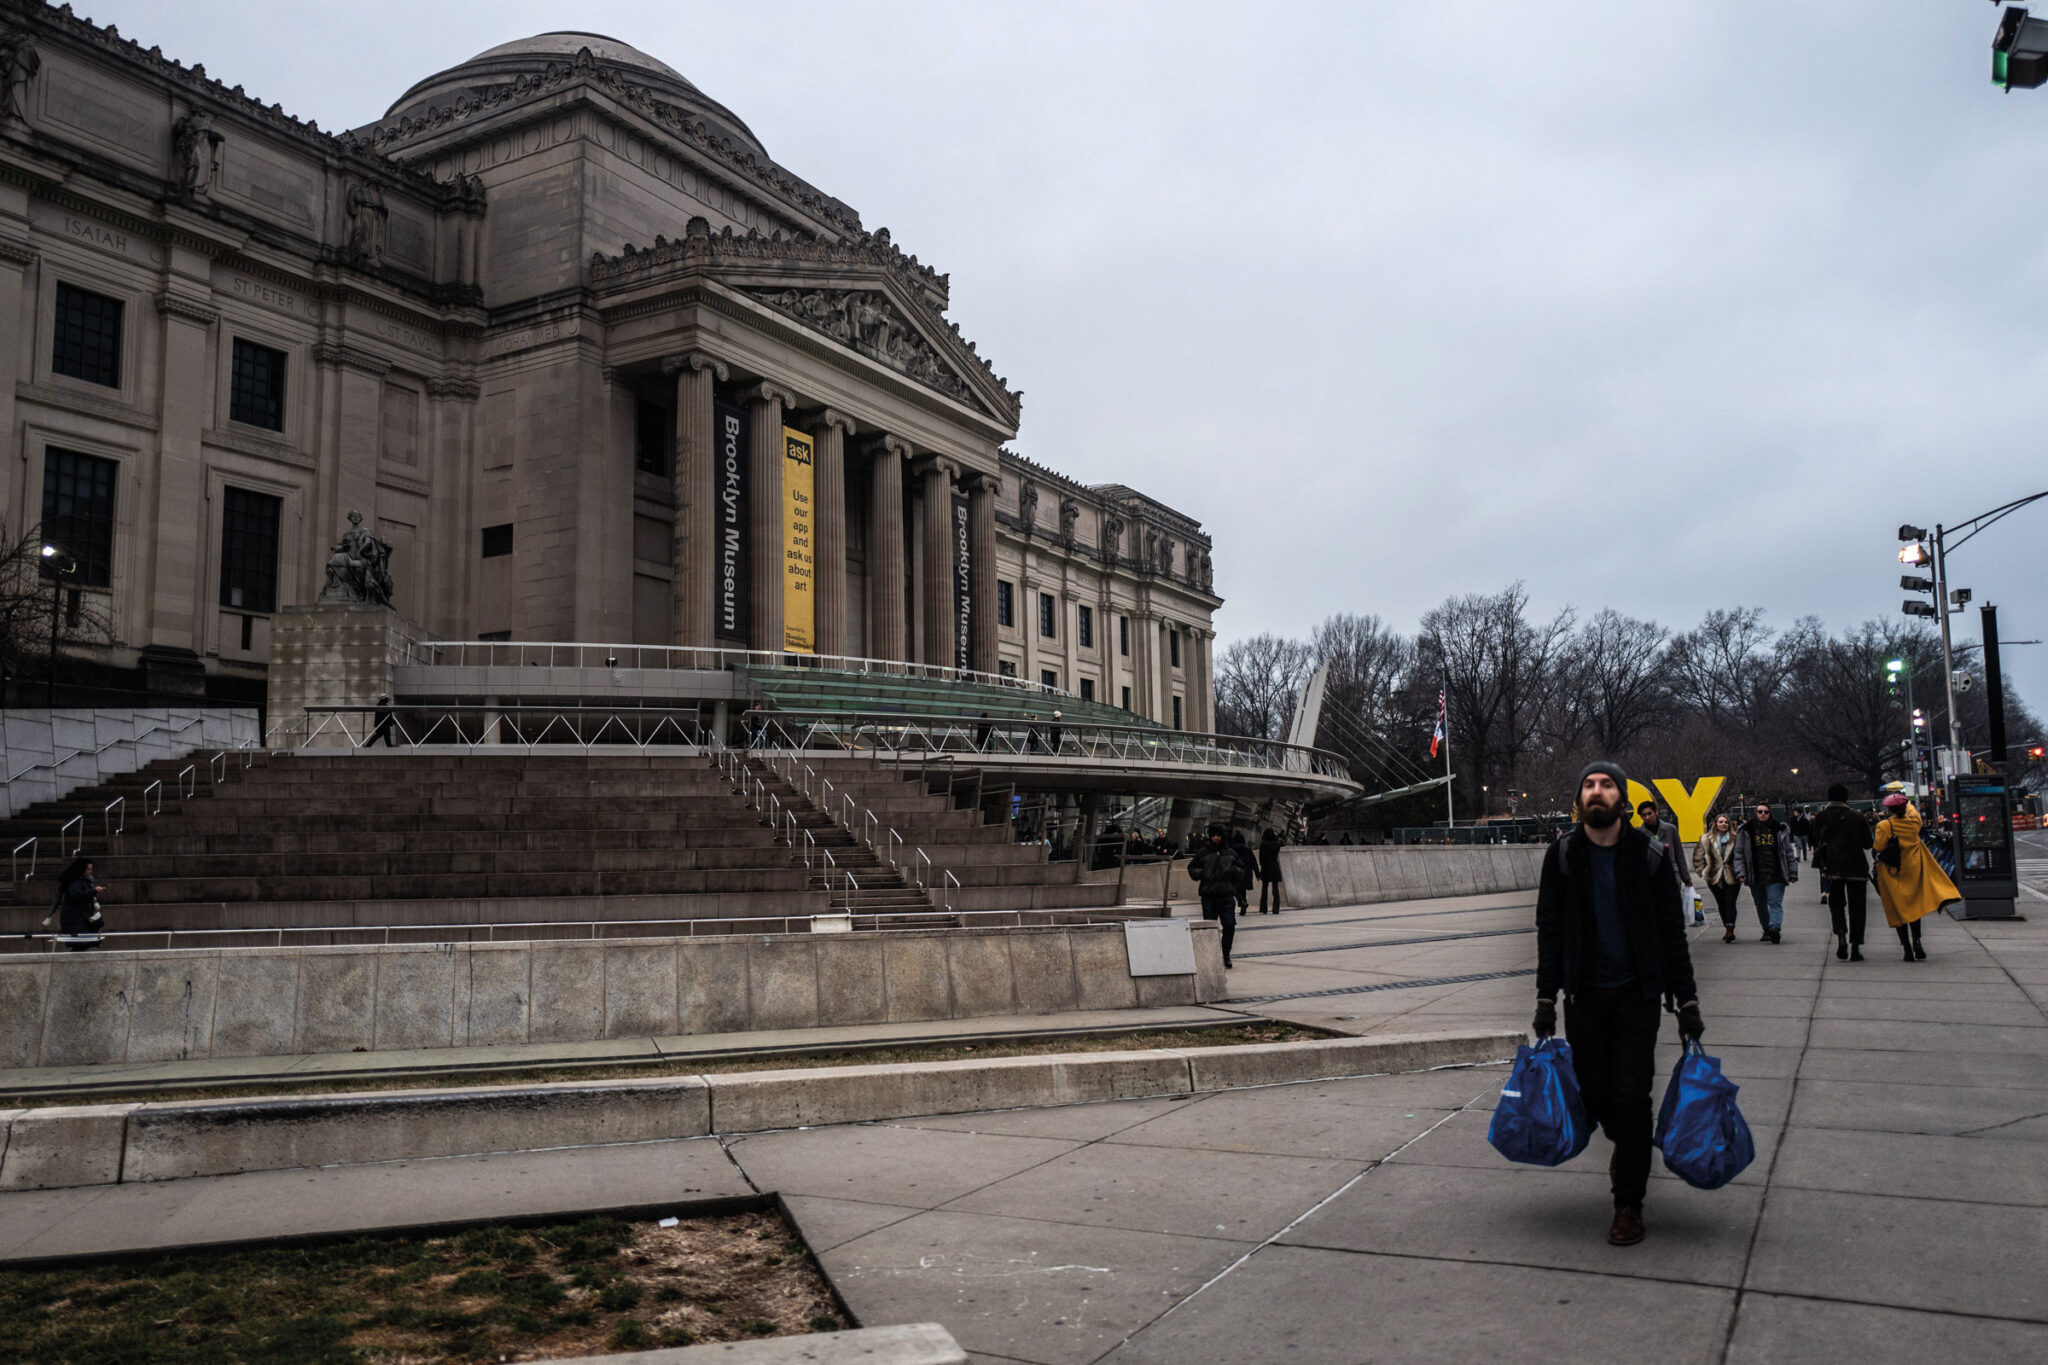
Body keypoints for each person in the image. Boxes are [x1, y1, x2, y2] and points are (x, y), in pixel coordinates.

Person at [1534, 761, 1703, 1247]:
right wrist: (1547, 998)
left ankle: (1628, 1203)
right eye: (1588, 784)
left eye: (1606, 785)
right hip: (1584, 998)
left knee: (1633, 1097)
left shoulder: (1649, 855)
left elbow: (1672, 934)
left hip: (1637, 998)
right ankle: (1626, 1144)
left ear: (1622, 799)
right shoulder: (1563, 855)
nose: (1597, 791)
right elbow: (1550, 930)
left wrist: (1686, 999)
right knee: (1596, 1095)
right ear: (1580, 799)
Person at [1872, 793, 1960, 961]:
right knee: (1914, 907)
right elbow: (1913, 812)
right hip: (1912, 868)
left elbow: (1878, 846)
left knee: (1898, 909)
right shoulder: (1913, 822)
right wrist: (1905, 800)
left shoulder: (1885, 825)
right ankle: (1917, 941)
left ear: (1889, 809)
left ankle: (1906, 946)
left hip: (1893, 871)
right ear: (1905, 807)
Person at [1809, 784, 1873, 962]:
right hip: (1856, 868)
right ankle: (1855, 946)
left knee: (1836, 905)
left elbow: (1815, 838)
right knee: (1857, 908)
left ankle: (1841, 935)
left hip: (1833, 867)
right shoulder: (1857, 817)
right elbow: (1868, 843)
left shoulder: (1821, 816)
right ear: (1846, 798)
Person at [1733, 802, 1797, 943]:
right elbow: (1739, 854)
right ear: (1755, 813)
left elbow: (1788, 853)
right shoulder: (1746, 830)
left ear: (1770, 813)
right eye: (1760, 811)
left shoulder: (1779, 829)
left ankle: (1775, 928)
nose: (1763, 814)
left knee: (1775, 903)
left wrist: (1793, 872)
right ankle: (1767, 929)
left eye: (1765, 812)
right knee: (1760, 904)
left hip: (1776, 874)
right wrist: (1740, 873)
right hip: (1755, 875)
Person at [1188, 824, 1250, 968]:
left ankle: (1225, 954)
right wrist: (1202, 874)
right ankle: (1212, 955)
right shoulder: (1203, 852)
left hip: (1226, 895)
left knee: (1229, 925)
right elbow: (1192, 868)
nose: (1216, 838)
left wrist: (1232, 872)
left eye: (1218, 835)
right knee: (1210, 927)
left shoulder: (1230, 853)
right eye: (1213, 835)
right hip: (1209, 895)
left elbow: (1241, 869)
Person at [1637, 800, 1698, 925]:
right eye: (1644, 815)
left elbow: (1679, 855)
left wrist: (1686, 877)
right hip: (1650, 877)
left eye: (1650, 813)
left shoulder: (1670, 829)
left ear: (1656, 812)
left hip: (1671, 874)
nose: (1647, 817)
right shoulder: (1638, 833)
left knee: (1671, 906)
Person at [1693, 812, 1742, 943]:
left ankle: (1730, 929)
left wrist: (1742, 873)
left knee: (1730, 902)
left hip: (1732, 876)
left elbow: (1741, 856)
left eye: (1726, 822)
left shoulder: (1736, 838)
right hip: (1713, 876)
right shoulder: (1705, 839)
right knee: (1721, 903)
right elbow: (1698, 857)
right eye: (1721, 822)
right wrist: (1702, 872)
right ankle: (1727, 926)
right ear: (1715, 824)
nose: (1723, 824)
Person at [41, 857, 106, 951]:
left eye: (91, 869)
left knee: (84, 943)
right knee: (83, 943)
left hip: (79, 919)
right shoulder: (75, 882)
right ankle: (70, 963)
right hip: (74, 920)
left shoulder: (82, 881)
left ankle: (72, 963)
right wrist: (94, 891)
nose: (90, 872)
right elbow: (76, 895)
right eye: (88, 869)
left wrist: (92, 896)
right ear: (82, 869)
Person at [1228, 830, 1257, 914]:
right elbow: (1254, 862)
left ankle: (1241, 901)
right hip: (1246, 873)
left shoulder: (1231, 851)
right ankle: (1243, 905)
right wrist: (1257, 873)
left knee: (1235, 889)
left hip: (1235, 873)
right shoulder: (1248, 850)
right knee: (1243, 890)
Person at [1257, 827, 1285, 914]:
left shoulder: (1263, 843)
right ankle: (1276, 908)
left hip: (1266, 867)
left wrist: (1262, 865)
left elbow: (1261, 858)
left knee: (1264, 888)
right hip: (1275, 866)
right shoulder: (1277, 843)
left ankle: (1263, 908)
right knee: (1275, 887)